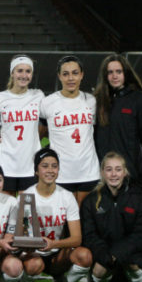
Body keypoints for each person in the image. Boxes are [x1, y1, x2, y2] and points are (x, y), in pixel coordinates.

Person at [13, 148, 92, 282]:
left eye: (54, 166)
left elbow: (77, 238)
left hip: (56, 254)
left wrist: (54, 244)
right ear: (36, 170)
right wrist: (27, 246)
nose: (50, 170)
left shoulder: (66, 197)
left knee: (85, 256)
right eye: (45, 166)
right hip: (34, 255)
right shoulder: (27, 196)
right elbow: (21, 234)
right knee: (35, 264)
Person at [81, 152, 142, 282]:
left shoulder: (138, 198)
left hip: (130, 253)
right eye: (108, 169)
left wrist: (118, 253)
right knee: (99, 269)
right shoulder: (91, 200)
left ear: (125, 172)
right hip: (105, 254)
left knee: (134, 264)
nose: (113, 174)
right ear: (102, 172)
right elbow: (89, 235)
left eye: (118, 169)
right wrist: (104, 254)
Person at [39, 55, 98, 206]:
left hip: (89, 171)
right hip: (61, 173)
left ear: (82, 75)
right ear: (59, 76)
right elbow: (38, 135)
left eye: (75, 73)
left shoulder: (91, 101)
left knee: (86, 220)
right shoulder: (47, 103)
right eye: (65, 74)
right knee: (63, 223)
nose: (70, 78)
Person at [93, 54, 142, 182]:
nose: (114, 76)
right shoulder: (96, 102)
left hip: (132, 177)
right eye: (110, 72)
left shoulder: (141, 101)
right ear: (105, 76)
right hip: (102, 178)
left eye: (119, 71)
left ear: (126, 73)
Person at [0, 55, 45, 194]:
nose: (24, 75)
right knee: (4, 212)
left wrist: (35, 139)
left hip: (30, 165)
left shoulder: (38, 96)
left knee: (26, 213)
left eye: (28, 71)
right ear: (12, 73)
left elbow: (48, 122)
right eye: (19, 70)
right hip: (5, 163)